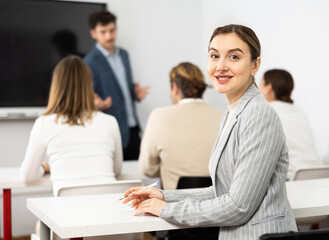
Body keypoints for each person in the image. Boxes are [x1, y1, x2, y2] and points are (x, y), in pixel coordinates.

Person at [123, 24, 298, 240]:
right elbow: (223, 191)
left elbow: (238, 206)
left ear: (255, 65)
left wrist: (165, 209)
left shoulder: (258, 114)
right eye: (214, 56)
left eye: (234, 57)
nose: (221, 66)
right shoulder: (230, 113)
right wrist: (164, 196)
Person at [20, 56, 123, 196]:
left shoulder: (44, 123)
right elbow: (116, 170)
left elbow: (28, 177)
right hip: (110, 211)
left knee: (36, 219)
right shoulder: (110, 121)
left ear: (56, 86)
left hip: (65, 215)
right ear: (89, 85)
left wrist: (45, 168)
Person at [139, 62, 223, 190]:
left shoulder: (159, 116)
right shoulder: (224, 117)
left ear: (175, 88)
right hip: (217, 204)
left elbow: (148, 169)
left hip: (173, 205)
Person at [84, 10, 149, 160]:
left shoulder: (124, 55)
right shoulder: (89, 62)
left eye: (112, 30)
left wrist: (135, 94)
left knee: (137, 178)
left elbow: (123, 88)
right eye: (103, 32)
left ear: (116, 29)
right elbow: (87, 100)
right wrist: (96, 104)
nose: (109, 36)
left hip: (132, 128)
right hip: (109, 132)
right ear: (93, 34)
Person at [259, 69, 322, 180]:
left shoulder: (267, 111)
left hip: (292, 178)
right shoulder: (299, 112)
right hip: (317, 173)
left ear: (268, 88)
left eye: (260, 84)